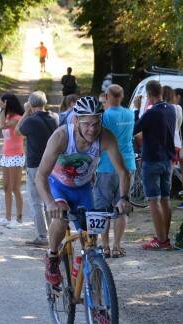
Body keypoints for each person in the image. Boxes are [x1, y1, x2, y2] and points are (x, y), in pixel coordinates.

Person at [36, 96, 132, 285]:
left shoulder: (106, 137)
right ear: (76, 120)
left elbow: (123, 172)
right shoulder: (61, 137)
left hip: (83, 189)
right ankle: (52, 256)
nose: (92, 129)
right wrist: (49, 202)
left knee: (90, 242)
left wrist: (123, 198)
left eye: (96, 123)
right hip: (58, 187)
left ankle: (94, 296)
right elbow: (40, 175)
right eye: (87, 124)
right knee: (61, 218)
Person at [132, 80, 175, 250]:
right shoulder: (171, 109)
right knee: (165, 199)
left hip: (152, 160)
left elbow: (135, 129)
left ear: (149, 95)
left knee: (153, 200)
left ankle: (161, 239)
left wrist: (137, 109)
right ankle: (165, 236)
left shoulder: (151, 112)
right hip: (167, 159)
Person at [93, 85, 135, 258]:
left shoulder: (105, 116)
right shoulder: (130, 114)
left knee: (102, 208)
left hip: (106, 165)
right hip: (128, 164)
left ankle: (105, 246)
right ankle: (117, 246)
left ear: (107, 96)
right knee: (122, 206)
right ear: (123, 95)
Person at [17, 90, 58, 246]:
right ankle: (54, 233)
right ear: (45, 103)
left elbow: (17, 131)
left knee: (36, 201)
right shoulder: (55, 117)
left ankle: (42, 236)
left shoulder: (30, 120)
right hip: (53, 164)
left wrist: (26, 112)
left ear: (31, 104)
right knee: (51, 199)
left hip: (35, 165)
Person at [0, 93, 25, 228]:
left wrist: (1, 109)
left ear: (7, 103)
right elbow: (2, 124)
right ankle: (7, 218)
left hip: (16, 156)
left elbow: (2, 126)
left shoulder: (17, 118)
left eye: (1, 102)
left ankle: (18, 219)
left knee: (15, 188)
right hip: (6, 156)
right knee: (6, 187)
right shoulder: (7, 116)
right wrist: (2, 110)